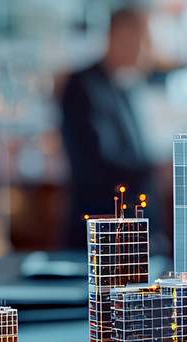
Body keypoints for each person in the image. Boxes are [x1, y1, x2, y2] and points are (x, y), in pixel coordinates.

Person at [60, 6, 157, 251]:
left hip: (126, 232)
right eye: (146, 39)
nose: (151, 48)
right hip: (100, 233)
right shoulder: (83, 86)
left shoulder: (123, 86)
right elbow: (97, 163)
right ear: (121, 35)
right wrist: (157, 170)